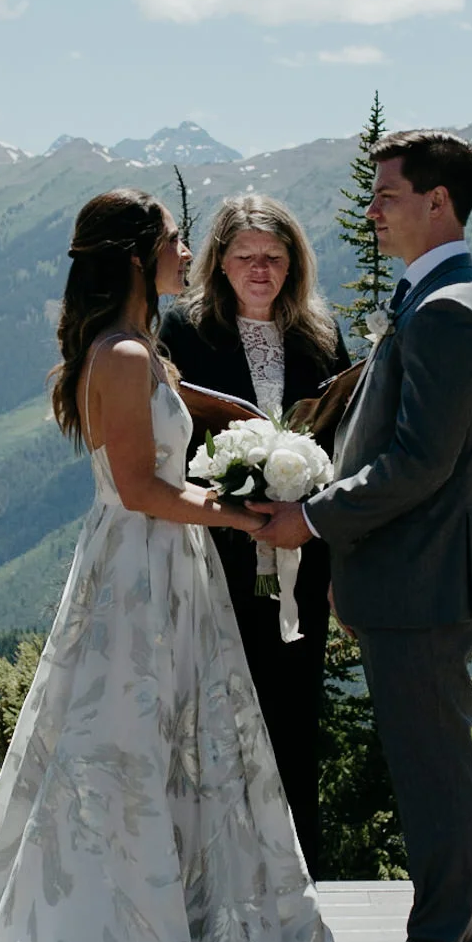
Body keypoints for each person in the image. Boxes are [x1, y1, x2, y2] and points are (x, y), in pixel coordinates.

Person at [0, 187, 351, 942]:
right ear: (136, 255)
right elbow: (142, 489)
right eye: (177, 243)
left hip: (170, 569)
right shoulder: (116, 356)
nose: (188, 254)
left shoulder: (136, 350)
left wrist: (264, 433)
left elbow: (188, 400)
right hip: (139, 567)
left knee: (185, 751)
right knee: (128, 754)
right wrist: (240, 512)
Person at [253, 130, 472, 942]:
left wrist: (312, 519)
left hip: (425, 584)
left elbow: (415, 465)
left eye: (387, 194)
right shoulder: (438, 296)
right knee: (430, 769)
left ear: (438, 202)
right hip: (409, 578)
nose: (372, 209)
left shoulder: (447, 311)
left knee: (435, 777)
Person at [158, 195, 350, 866]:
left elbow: (344, 443)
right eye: (245, 256)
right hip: (217, 558)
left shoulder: (320, 337)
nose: (260, 269)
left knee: (295, 724)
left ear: (294, 262)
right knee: (219, 721)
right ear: (220, 262)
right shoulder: (185, 334)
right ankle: (220, 880)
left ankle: (300, 887)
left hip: (306, 552)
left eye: (273, 256)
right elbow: (168, 442)